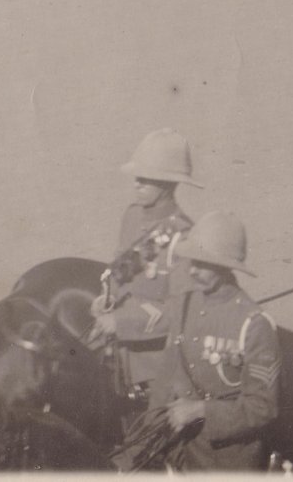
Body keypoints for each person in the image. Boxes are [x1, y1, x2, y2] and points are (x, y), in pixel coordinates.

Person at [144, 211, 280, 471]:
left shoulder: (254, 323)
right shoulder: (184, 304)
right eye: (191, 261)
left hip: (230, 461)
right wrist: (148, 439)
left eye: (203, 263)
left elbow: (263, 408)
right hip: (180, 452)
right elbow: (165, 378)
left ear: (225, 265)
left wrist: (201, 411)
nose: (192, 270)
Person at [96, 129, 201, 391]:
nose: (137, 183)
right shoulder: (132, 217)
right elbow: (120, 273)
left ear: (167, 185)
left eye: (146, 178)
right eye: (136, 177)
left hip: (153, 362)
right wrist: (106, 298)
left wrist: (120, 323)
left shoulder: (184, 237)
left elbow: (181, 312)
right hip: (114, 347)